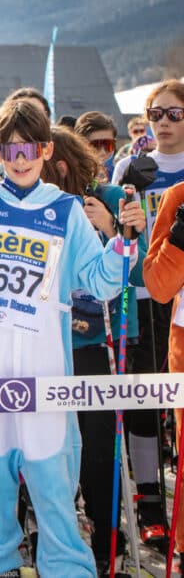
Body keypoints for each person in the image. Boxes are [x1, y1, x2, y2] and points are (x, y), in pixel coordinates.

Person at [0, 97, 143, 577]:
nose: (19, 160)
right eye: (9, 151)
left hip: (45, 379)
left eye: (29, 150)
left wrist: (123, 243)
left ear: (46, 149)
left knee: (55, 490)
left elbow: (100, 281)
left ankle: (68, 569)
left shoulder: (63, 209)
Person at [42, 127, 148, 574]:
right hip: (50, 339)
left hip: (98, 342)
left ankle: (109, 541)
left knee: (100, 448)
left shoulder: (105, 194)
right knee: (51, 449)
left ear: (61, 165)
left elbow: (137, 266)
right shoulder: (35, 204)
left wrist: (110, 227)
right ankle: (57, 534)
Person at [111, 80, 184, 551]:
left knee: (172, 404)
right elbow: (116, 230)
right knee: (142, 398)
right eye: (155, 114)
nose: (163, 122)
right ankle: (150, 500)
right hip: (139, 292)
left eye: (174, 114)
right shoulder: (130, 165)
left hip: (176, 300)